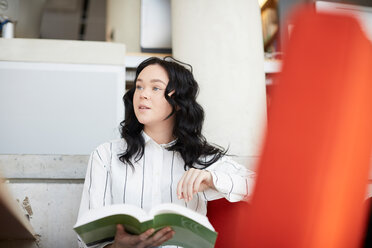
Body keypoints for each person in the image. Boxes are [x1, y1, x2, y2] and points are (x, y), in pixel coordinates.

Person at [77, 57, 256, 248]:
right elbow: (86, 242)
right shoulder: (106, 156)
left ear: (178, 100)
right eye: (139, 86)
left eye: (155, 88)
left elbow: (262, 188)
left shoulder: (202, 158)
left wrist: (212, 179)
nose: (143, 94)